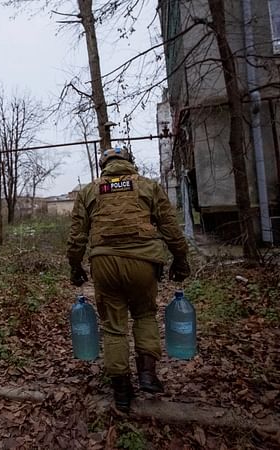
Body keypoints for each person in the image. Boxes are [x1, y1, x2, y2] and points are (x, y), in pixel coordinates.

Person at [66, 146, 190, 413]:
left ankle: (121, 390)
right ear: (129, 162)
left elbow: (77, 238)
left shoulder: (89, 191)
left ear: (104, 165)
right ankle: (147, 375)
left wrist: (75, 267)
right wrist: (181, 260)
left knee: (113, 327)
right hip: (144, 264)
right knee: (144, 315)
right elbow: (170, 228)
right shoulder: (148, 186)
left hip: (104, 265)